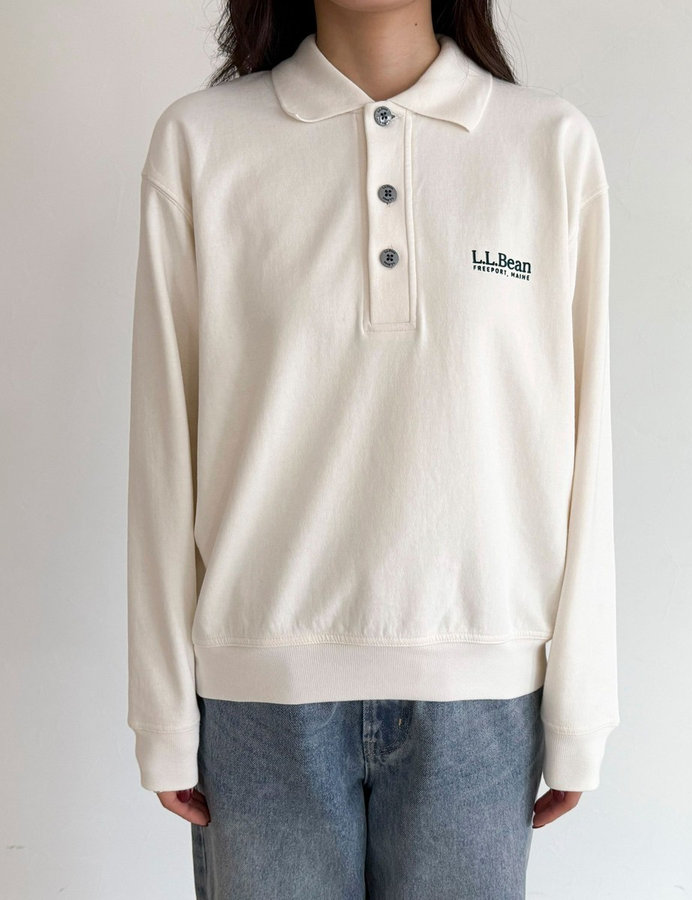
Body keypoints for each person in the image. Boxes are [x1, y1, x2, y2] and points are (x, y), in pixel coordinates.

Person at [126, 0, 620, 896]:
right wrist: (161, 710)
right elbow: (165, 439)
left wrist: (583, 702)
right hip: (259, 697)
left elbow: (586, 435)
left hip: (483, 695)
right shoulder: (202, 142)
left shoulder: (547, 146)